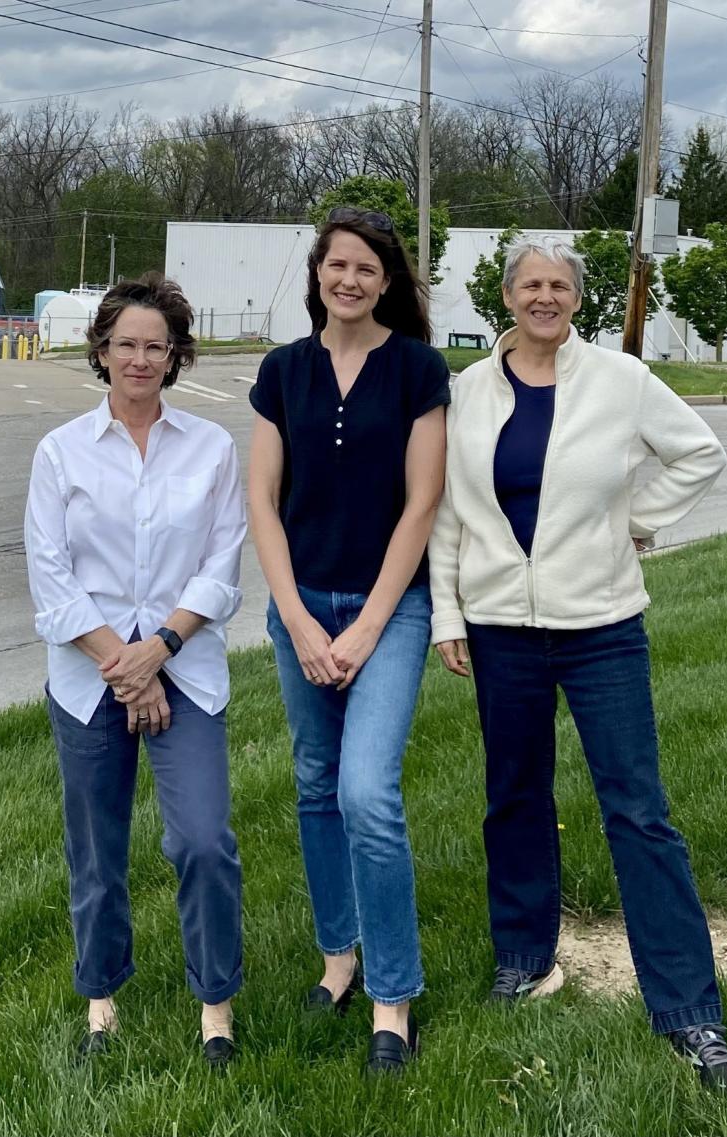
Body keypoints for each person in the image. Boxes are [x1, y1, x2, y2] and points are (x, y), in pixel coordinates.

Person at [428, 235, 727, 1092]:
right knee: (516, 795)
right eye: (530, 284)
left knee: (637, 808)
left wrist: (635, 523)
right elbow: (451, 512)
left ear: (577, 298)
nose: (544, 297)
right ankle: (525, 959)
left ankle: (689, 1011)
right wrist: (448, 615)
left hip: (601, 624)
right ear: (506, 297)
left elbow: (699, 454)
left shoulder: (621, 380)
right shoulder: (468, 392)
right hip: (501, 627)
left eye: (559, 285)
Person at [25, 274, 247, 1067]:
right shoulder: (60, 454)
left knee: (202, 841)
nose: (141, 359)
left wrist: (160, 650)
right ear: (102, 351)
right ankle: (101, 999)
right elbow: (50, 580)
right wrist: (123, 664)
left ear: (177, 355)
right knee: (97, 848)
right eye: (127, 344)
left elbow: (221, 570)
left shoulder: (213, 448)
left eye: (157, 346)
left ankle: (215, 1005)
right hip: (90, 680)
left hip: (185, 672)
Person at [247, 207, 449, 1074]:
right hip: (299, 607)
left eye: (368, 268)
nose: (351, 280)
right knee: (315, 784)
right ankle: (340, 958)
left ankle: (393, 997)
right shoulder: (281, 371)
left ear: (390, 281)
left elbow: (422, 503)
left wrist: (366, 626)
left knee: (368, 791)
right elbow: (262, 501)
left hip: (389, 610)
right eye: (339, 265)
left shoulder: (417, 369)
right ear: (319, 274)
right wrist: (294, 616)